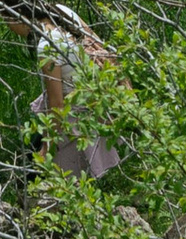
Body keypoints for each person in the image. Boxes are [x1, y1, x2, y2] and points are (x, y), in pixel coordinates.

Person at [27, 11, 122, 180]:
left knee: (60, 179)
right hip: (95, 104)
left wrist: (46, 149)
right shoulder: (62, 12)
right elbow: (102, 49)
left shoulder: (47, 44)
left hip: (73, 117)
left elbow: (57, 104)